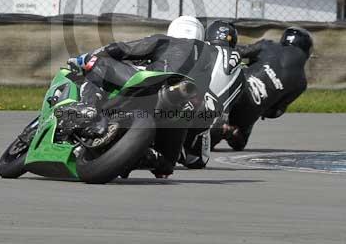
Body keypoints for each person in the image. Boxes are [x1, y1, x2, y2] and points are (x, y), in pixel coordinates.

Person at [63, 15, 213, 177]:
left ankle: (88, 107)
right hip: (180, 112)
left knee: (99, 63)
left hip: (154, 89)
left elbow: (123, 49)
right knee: (165, 166)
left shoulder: (164, 41)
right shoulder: (208, 60)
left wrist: (85, 57)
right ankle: (146, 156)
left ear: (173, 30)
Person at [211, 26, 312, 151]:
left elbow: (239, 51)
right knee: (239, 143)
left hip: (232, 91)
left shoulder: (268, 46)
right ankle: (229, 130)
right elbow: (275, 112)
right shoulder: (301, 82)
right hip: (249, 112)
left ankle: (214, 126)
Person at [178, 20, 245, 169]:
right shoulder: (239, 65)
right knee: (197, 161)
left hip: (184, 108)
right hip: (212, 123)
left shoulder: (196, 49)